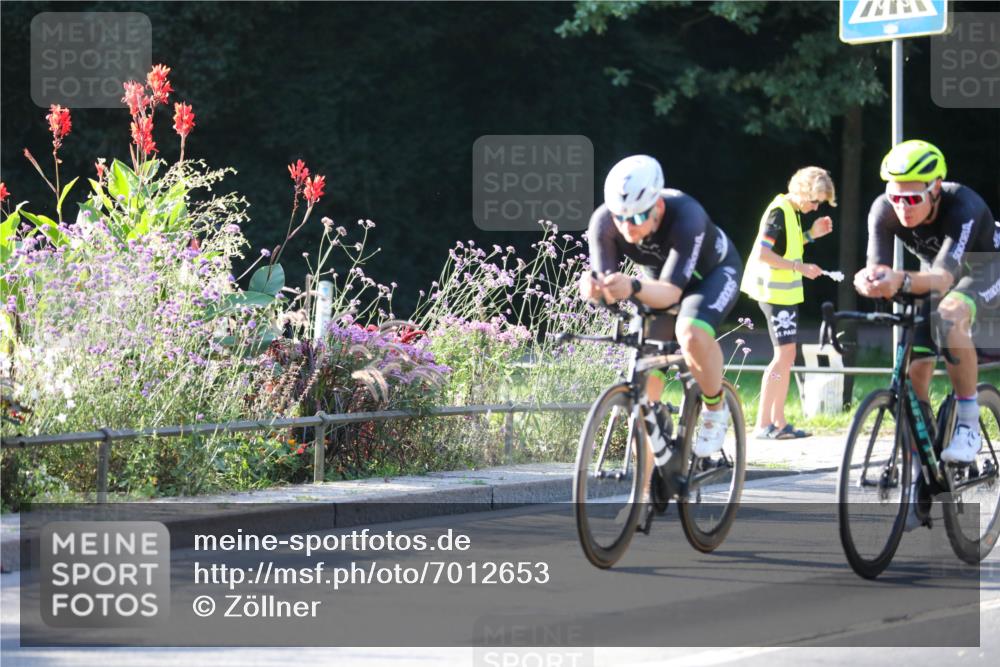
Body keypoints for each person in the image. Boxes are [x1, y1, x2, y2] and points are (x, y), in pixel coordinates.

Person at [579, 155, 743, 458]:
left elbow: (670, 295)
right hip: (658, 284)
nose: (628, 227)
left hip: (712, 275)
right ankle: (641, 499)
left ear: (658, 207)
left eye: (638, 218)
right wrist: (593, 289)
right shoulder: (604, 222)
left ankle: (714, 408)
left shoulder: (687, 214)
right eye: (620, 217)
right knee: (645, 394)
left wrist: (633, 286)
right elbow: (605, 286)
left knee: (690, 332)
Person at [854, 139, 998, 467]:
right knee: (914, 370)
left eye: (913, 198)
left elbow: (945, 279)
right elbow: (880, 270)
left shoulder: (963, 205)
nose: (903, 207)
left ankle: (967, 423)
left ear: (935, 188)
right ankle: (925, 463)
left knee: (950, 313)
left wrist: (900, 280)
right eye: (896, 196)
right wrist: (869, 281)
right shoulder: (883, 210)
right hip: (935, 274)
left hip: (987, 268)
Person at [740, 167, 837, 439]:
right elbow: (763, 253)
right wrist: (800, 267)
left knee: (787, 356)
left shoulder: (790, 211)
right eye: (815, 200)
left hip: (784, 295)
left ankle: (778, 421)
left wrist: (811, 235)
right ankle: (763, 425)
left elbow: (786, 245)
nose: (817, 207)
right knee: (783, 356)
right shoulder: (778, 211)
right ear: (803, 191)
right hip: (774, 294)